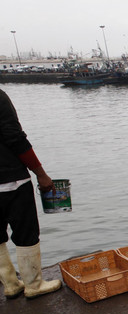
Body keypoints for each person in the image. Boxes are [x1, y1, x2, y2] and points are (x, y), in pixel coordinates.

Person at [0, 88, 62, 299]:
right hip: (10, 178)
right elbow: (15, 137)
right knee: (25, 231)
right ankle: (33, 284)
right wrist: (41, 174)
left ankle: (10, 284)